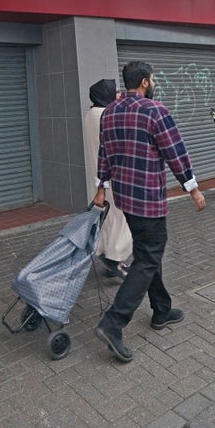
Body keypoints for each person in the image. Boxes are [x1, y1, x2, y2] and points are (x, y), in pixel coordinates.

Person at [91, 60, 206, 363]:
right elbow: (175, 152)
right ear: (144, 81)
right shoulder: (156, 111)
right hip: (148, 200)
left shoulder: (110, 112)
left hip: (125, 199)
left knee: (147, 252)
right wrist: (193, 188)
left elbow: (104, 153)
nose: (154, 84)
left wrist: (101, 187)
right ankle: (113, 323)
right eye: (152, 80)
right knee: (148, 257)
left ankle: (161, 310)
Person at [83, 79, 133, 280]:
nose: (120, 95)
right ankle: (115, 258)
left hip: (99, 177)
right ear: (107, 94)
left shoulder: (91, 114)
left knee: (108, 218)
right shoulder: (107, 115)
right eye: (116, 91)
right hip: (113, 175)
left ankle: (109, 255)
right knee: (121, 217)